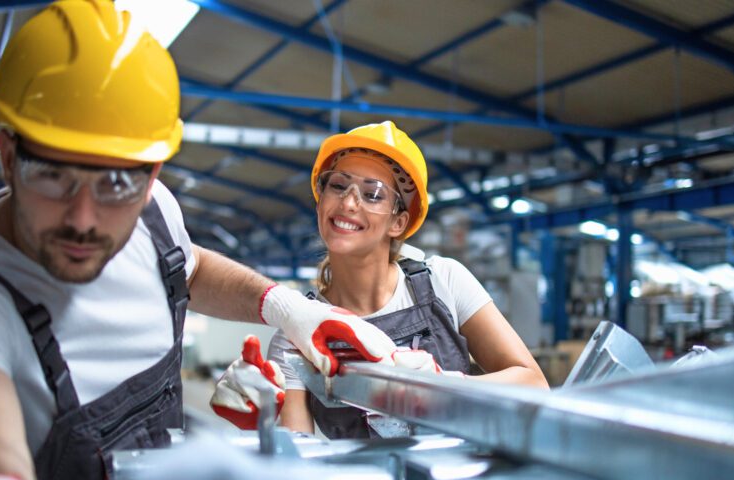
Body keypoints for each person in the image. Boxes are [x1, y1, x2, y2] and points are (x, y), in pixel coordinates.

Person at [0, 2, 396, 480]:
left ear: (151, 174)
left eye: (115, 183)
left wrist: (284, 307)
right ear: (8, 154)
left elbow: (192, 268)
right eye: (53, 175)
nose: (84, 217)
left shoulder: (153, 211)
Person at [210, 121, 548, 440]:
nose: (348, 201)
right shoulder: (299, 332)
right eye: (338, 185)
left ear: (398, 222)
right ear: (319, 204)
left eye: (372, 194)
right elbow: (299, 461)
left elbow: (533, 385)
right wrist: (267, 422)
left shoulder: (445, 282)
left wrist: (444, 386)